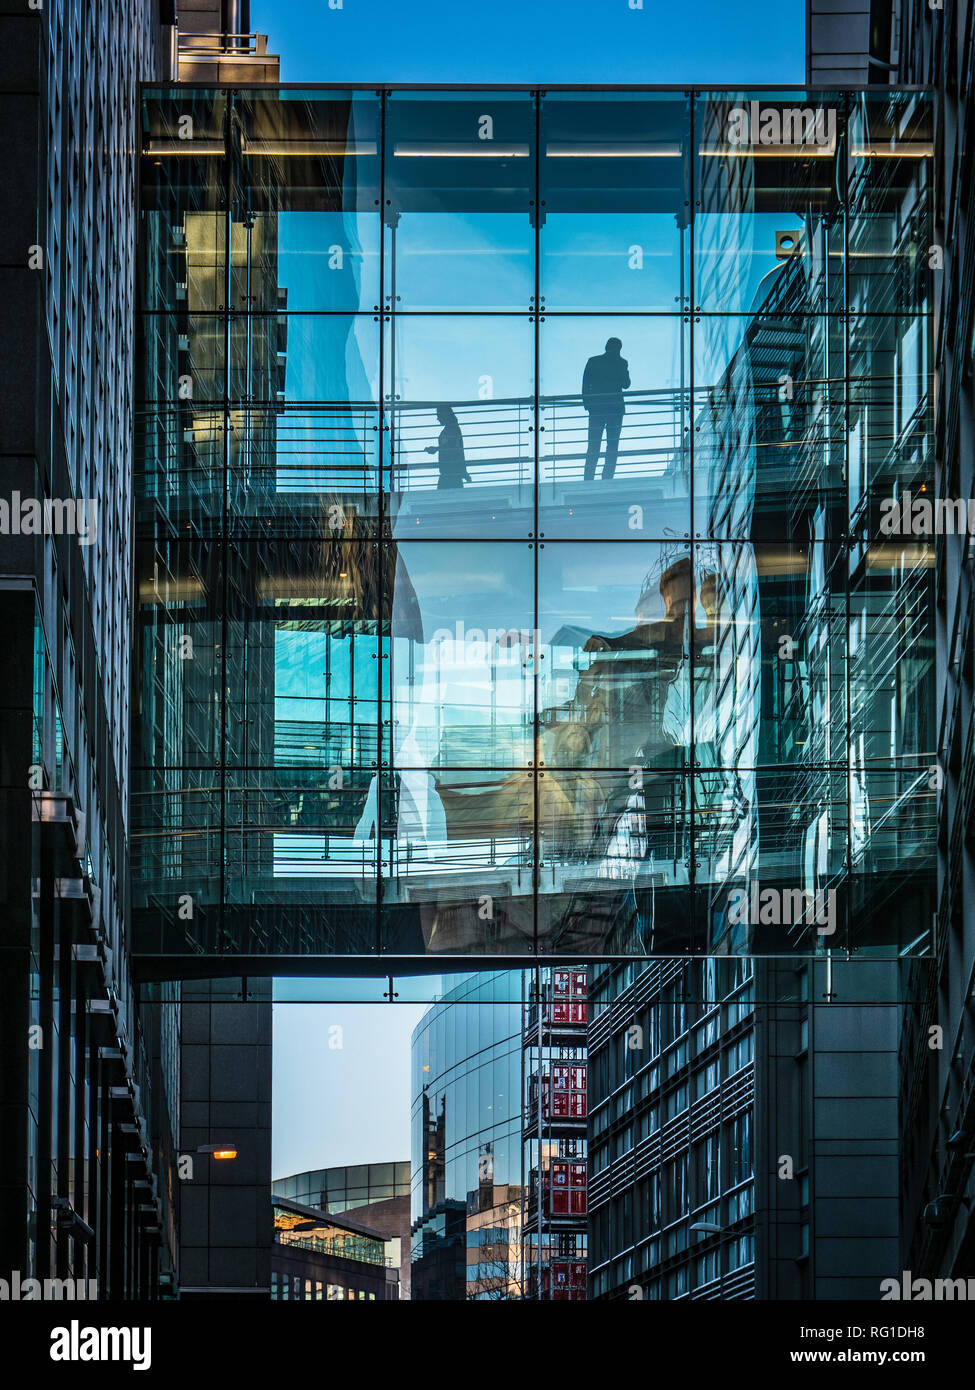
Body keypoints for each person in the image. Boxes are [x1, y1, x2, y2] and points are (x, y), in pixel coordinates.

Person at [582, 337, 630, 481]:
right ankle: (607, 477)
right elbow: (626, 384)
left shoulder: (593, 361)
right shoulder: (621, 363)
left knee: (593, 444)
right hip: (615, 409)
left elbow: (585, 385)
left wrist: (588, 405)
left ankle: (588, 478)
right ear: (619, 349)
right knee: (612, 444)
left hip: (596, 409)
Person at [425, 404, 471, 489]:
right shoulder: (453, 429)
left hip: (450, 473)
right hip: (451, 472)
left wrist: (436, 449)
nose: (437, 418)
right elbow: (455, 448)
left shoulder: (452, 429)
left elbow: (452, 447)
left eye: (438, 415)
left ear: (445, 415)